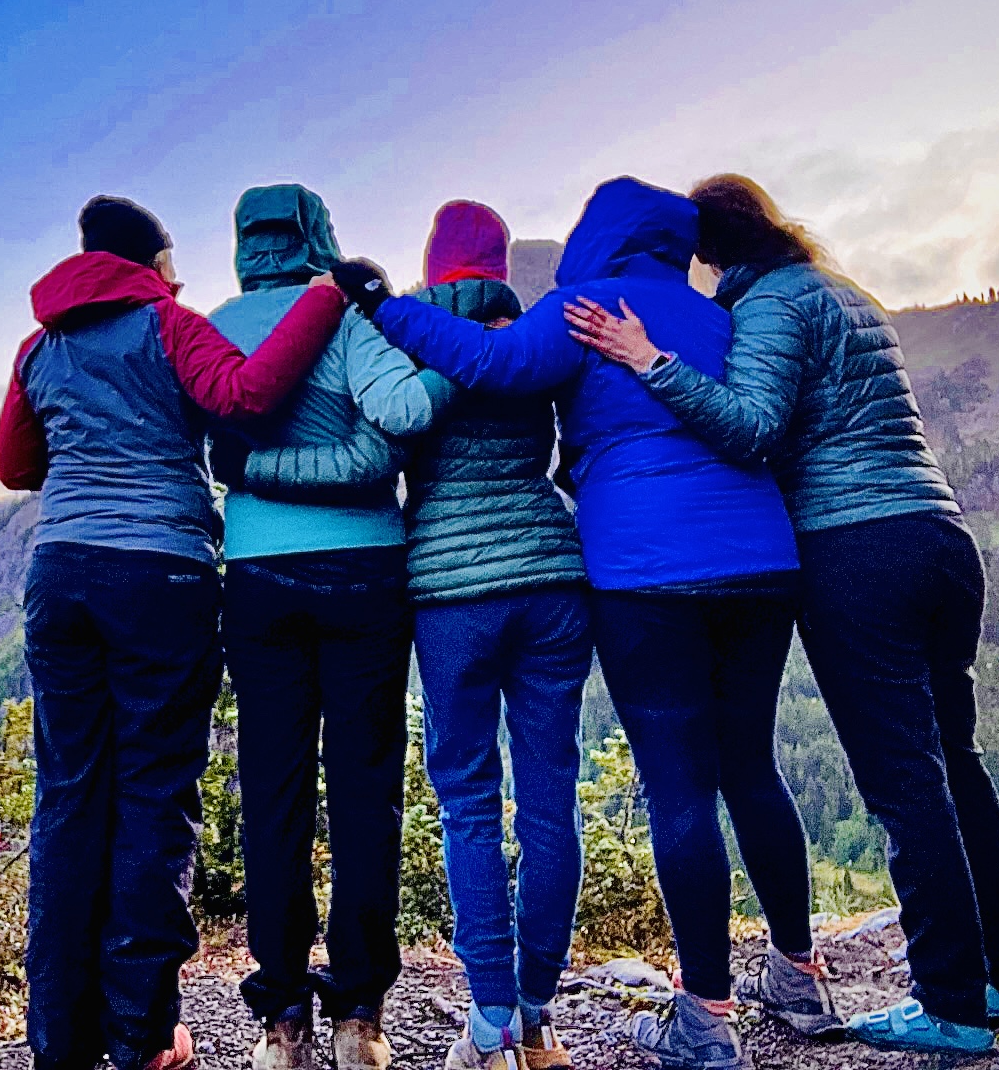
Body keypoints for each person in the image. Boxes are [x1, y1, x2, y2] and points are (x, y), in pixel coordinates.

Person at [334, 177, 836, 1070]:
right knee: (739, 769)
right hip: (757, 563)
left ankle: (685, 1017)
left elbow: (491, 366)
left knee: (668, 791)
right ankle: (784, 970)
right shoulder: (722, 315)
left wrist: (381, 306)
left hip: (638, 574)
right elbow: (765, 425)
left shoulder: (580, 307)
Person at [563, 175, 999, 1057]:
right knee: (957, 766)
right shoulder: (842, 290)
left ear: (709, 251)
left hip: (855, 549)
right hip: (937, 534)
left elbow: (750, 427)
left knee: (906, 783)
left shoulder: (771, 305)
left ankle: (949, 1004)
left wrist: (649, 361)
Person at [0, 194, 348, 1070]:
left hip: (62, 574)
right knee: (154, 797)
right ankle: (143, 1036)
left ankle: (59, 1041)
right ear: (152, 262)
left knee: (69, 797)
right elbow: (250, 397)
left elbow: (12, 466)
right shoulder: (168, 323)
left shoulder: (40, 346)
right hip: (161, 577)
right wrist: (329, 296)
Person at [251, 200, 590, 1070]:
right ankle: (537, 1019)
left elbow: (390, 439)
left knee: (467, 801)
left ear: (435, 266)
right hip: (552, 581)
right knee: (550, 798)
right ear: (502, 265)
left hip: (450, 592)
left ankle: (486, 1021)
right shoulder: (536, 336)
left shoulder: (400, 330)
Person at [201, 183, 439, 1070]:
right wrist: (361, 460)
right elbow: (407, 415)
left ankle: (280, 1024)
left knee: (272, 792)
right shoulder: (343, 317)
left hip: (256, 576)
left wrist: (256, 470)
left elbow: (200, 442)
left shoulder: (215, 323)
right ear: (320, 235)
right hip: (365, 570)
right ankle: (358, 1019)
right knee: (366, 788)